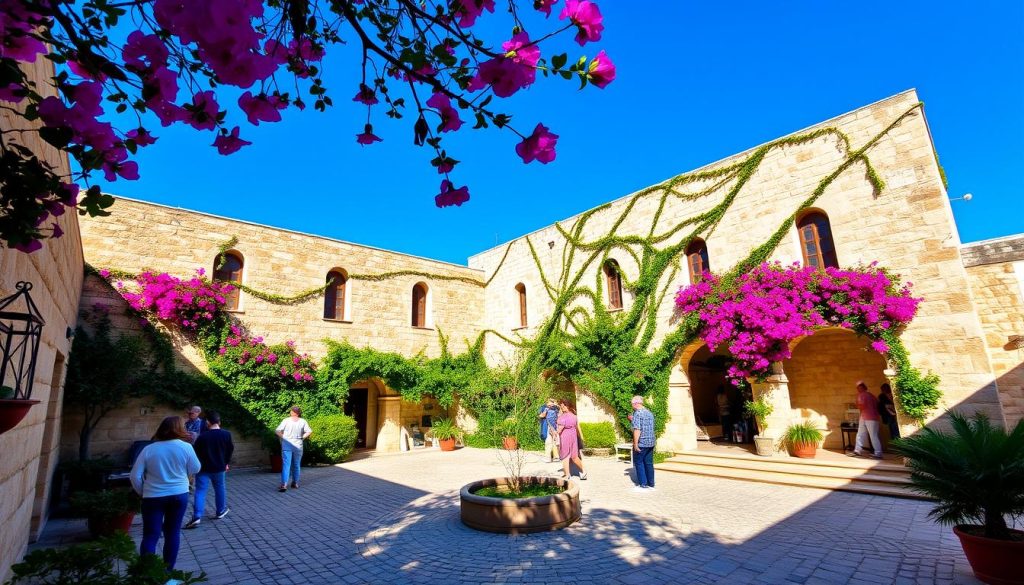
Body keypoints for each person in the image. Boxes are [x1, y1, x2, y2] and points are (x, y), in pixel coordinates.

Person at [130, 416, 201, 573]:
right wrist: (183, 476)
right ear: (179, 429)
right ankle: (167, 573)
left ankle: (148, 574)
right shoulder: (186, 447)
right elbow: (196, 468)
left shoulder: (149, 449)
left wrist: (142, 492)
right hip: (179, 494)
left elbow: (134, 475)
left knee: (150, 535)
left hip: (153, 496)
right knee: (172, 533)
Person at [185, 411, 234, 529]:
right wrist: (226, 463)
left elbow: (195, 453)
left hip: (203, 469)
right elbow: (230, 450)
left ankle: (197, 516)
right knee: (220, 488)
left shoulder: (202, 437)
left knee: (200, 491)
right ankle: (220, 511)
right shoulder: (227, 434)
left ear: (207, 422)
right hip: (219, 468)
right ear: (219, 422)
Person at [276, 406, 312, 492]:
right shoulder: (303, 421)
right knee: (296, 465)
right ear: (298, 413)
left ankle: (284, 484)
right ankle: (295, 483)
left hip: (287, 445)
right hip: (298, 445)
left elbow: (277, 431)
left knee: (286, 465)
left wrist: (284, 437)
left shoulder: (286, 420)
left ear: (292, 412)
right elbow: (309, 431)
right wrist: (302, 438)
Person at [849, 381, 883, 459]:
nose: (858, 389)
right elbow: (877, 404)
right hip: (871, 417)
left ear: (861, 388)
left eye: (859, 388)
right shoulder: (872, 395)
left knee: (866, 434)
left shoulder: (861, 395)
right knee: (866, 434)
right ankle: (858, 450)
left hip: (867, 417)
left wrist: (856, 404)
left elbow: (861, 406)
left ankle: (877, 453)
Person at [555, 400, 586, 480]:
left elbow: (560, 429)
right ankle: (584, 471)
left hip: (565, 437)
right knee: (574, 456)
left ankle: (567, 474)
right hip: (573, 436)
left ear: (567, 406)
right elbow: (577, 426)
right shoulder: (574, 416)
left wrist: (555, 433)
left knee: (565, 456)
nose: (562, 407)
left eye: (563, 406)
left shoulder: (563, 417)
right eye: (561, 406)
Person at [631, 395, 656, 492]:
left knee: (639, 462)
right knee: (649, 463)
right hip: (651, 442)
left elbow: (637, 429)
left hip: (642, 442)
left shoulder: (638, 413)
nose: (632, 406)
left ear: (636, 404)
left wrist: (635, 444)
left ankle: (643, 484)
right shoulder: (649, 412)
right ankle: (651, 483)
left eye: (632, 404)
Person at [537, 398, 560, 462]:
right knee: (554, 442)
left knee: (549, 442)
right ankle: (556, 457)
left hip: (549, 427)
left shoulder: (552, 409)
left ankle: (548, 457)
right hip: (555, 427)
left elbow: (541, 416)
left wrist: (546, 411)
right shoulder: (556, 409)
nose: (549, 405)